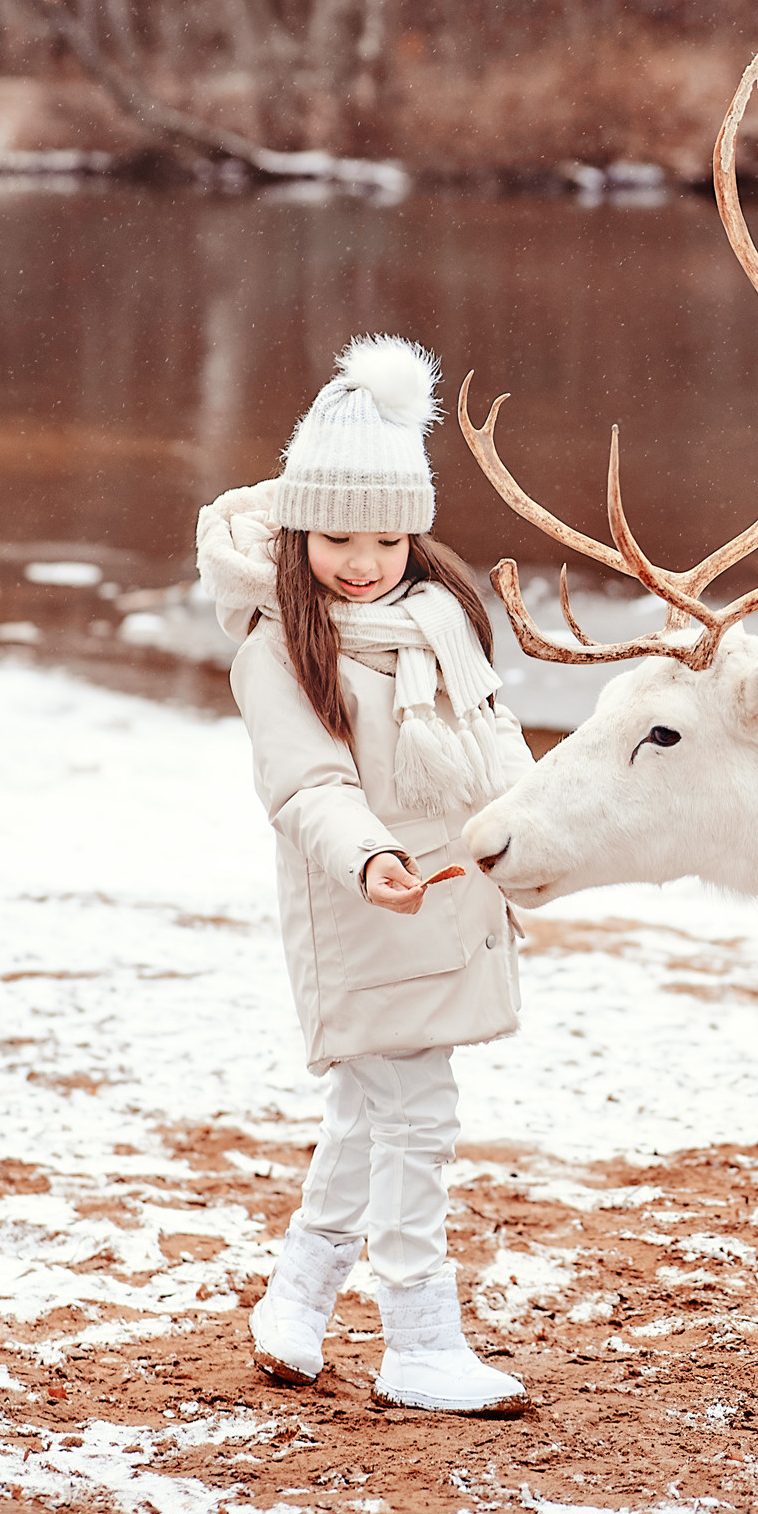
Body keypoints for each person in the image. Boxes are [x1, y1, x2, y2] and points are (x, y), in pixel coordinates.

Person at [195, 335, 533, 1415]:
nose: (361, 558)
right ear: (298, 530)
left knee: (369, 1113)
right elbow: (307, 789)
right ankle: (420, 1339)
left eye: (386, 536)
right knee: (415, 1116)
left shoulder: (439, 622)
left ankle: (293, 1303)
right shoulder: (278, 645)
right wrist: (372, 855)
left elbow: (494, 747)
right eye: (337, 533)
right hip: (366, 905)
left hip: (448, 898)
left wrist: (537, 836)